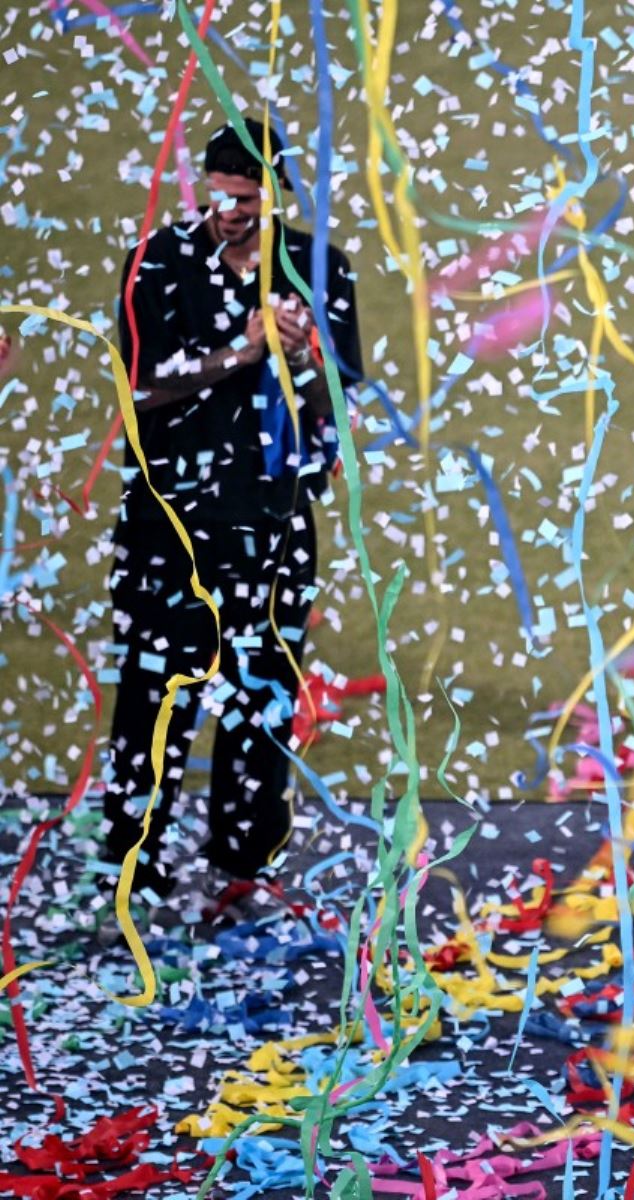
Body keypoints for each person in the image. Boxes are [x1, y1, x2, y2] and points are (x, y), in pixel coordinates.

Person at [100, 117, 361, 929]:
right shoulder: (157, 262)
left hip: (273, 520)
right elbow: (140, 386)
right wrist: (239, 351)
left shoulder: (321, 269)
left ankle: (244, 869)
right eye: (219, 196)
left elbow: (338, 416)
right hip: (169, 521)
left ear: (274, 191)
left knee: (264, 696)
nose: (231, 212)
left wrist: (307, 359)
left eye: (247, 198)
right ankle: (132, 867)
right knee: (155, 694)